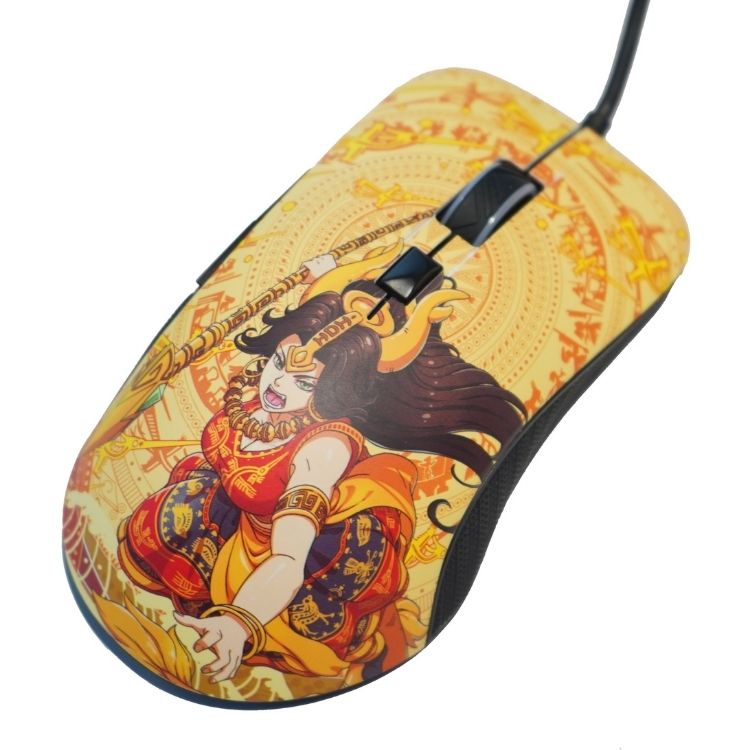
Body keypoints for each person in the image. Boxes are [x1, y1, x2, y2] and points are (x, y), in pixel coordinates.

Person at [117, 251, 527, 687]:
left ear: (336, 389)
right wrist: (321, 276)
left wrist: (239, 622)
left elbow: (289, 558)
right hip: (224, 512)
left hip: (281, 557)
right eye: (279, 363)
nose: (278, 385)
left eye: (305, 383)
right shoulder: (256, 396)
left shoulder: (322, 450)